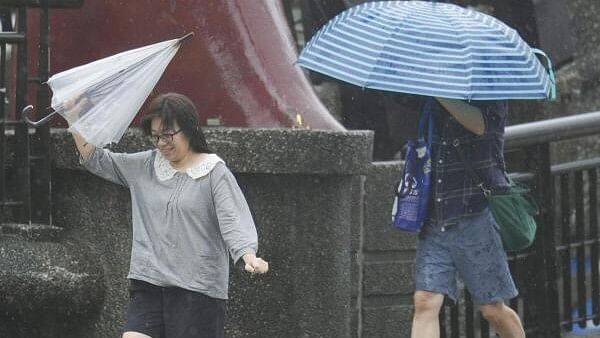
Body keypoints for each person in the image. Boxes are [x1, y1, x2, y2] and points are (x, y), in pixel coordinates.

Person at [68, 93, 269, 338]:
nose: (162, 143)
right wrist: (74, 119)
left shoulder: (214, 173)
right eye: (155, 137)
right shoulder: (145, 166)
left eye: (168, 134)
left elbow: (233, 220)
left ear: (189, 128)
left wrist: (248, 255)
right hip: (149, 283)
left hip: (198, 292)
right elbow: (96, 159)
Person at [410, 97, 525, 338]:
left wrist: (439, 93)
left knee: (492, 309)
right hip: (436, 214)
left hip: (475, 213)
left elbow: (480, 126)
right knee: (425, 301)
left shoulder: (489, 88)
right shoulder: (429, 91)